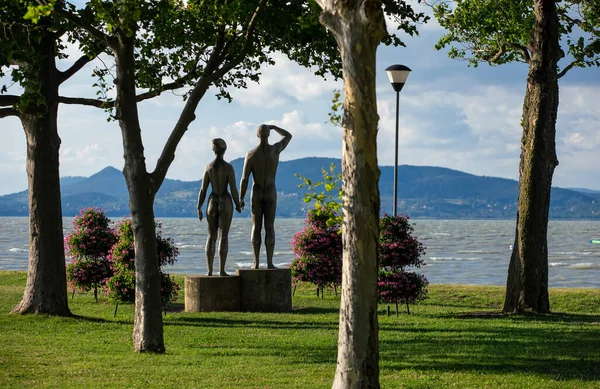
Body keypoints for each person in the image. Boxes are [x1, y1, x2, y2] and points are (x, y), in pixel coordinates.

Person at [240, 124, 292, 269]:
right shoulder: (275, 150)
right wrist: (275, 127)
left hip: (256, 192)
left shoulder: (251, 154)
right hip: (270, 191)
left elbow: (244, 179)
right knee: (269, 226)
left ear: (257, 135)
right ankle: (269, 263)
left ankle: (256, 263)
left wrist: (241, 198)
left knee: (256, 226)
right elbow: (288, 136)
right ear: (268, 135)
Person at [197, 138, 242, 276]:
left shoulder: (208, 167)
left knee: (211, 236)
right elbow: (233, 189)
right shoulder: (228, 168)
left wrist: (199, 206)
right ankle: (221, 270)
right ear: (225, 150)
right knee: (224, 237)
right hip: (225, 201)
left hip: (212, 202)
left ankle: (209, 271)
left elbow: (203, 190)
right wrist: (238, 204)